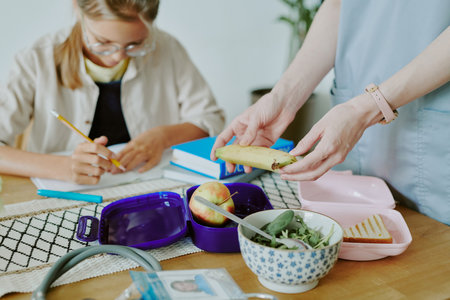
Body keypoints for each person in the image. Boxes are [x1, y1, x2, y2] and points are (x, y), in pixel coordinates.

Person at [211, 0, 450, 225]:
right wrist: (282, 98)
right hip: (358, 135)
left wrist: (367, 107)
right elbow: (338, 5)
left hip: (432, 150)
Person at [0, 0, 225, 185]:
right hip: (64, 194)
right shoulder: (36, 59)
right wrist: (64, 166)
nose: (118, 57)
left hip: (149, 187)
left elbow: (211, 120)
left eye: (135, 44)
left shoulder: (167, 48)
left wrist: (163, 136)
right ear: (78, 9)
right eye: (103, 42)